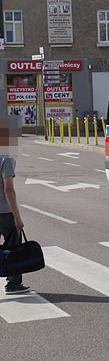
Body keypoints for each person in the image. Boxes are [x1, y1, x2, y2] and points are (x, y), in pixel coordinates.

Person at [0, 116, 30, 295]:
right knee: (13, 246)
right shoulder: (6, 159)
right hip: (4, 212)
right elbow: (8, 190)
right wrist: (17, 217)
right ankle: (13, 283)